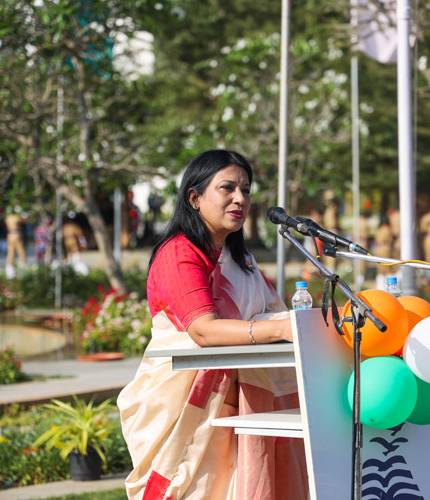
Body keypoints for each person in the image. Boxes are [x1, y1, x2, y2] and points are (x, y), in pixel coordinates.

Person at [117, 150, 306, 500]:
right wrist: (280, 330)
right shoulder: (179, 253)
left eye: (246, 190)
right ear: (194, 197)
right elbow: (203, 330)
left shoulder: (241, 261)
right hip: (189, 409)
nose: (240, 199)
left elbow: (271, 311)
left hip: (243, 405)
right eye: (227, 188)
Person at [4, 206, 28, 278]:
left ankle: (9, 272)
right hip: (16, 235)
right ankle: (21, 271)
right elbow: (25, 220)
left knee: (10, 252)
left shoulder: (8, 217)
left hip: (10, 235)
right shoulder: (16, 217)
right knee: (22, 252)